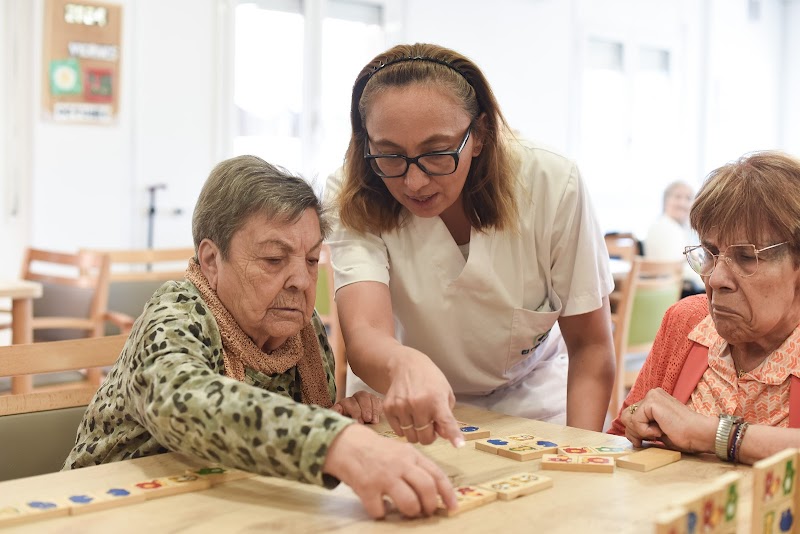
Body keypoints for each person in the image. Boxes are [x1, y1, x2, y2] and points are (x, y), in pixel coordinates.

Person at [63, 155, 456, 518]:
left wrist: (338, 415)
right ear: (211, 260)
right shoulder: (177, 310)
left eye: (311, 259)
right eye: (273, 260)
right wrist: (337, 443)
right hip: (105, 514)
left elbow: (280, 440)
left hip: (222, 512)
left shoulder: (303, 333)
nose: (303, 281)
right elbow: (180, 399)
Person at [324, 42, 615, 446]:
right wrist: (406, 365)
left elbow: (591, 347)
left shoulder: (550, 182)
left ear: (478, 135)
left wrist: (580, 454)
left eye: (437, 153)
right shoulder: (352, 193)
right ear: (365, 142)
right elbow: (365, 334)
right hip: (400, 392)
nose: (415, 182)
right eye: (389, 156)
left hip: (528, 401)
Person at [610, 151, 800, 465]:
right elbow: (620, 436)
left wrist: (712, 434)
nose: (716, 278)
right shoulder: (687, 321)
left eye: (746, 257)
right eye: (710, 253)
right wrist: (636, 420)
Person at [645, 180, 704, 297]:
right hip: (669, 291)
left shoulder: (682, 229)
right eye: (677, 197)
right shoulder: (665, 228)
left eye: (688, 198)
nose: (682, 203)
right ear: (665, 201)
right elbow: (676, 269)